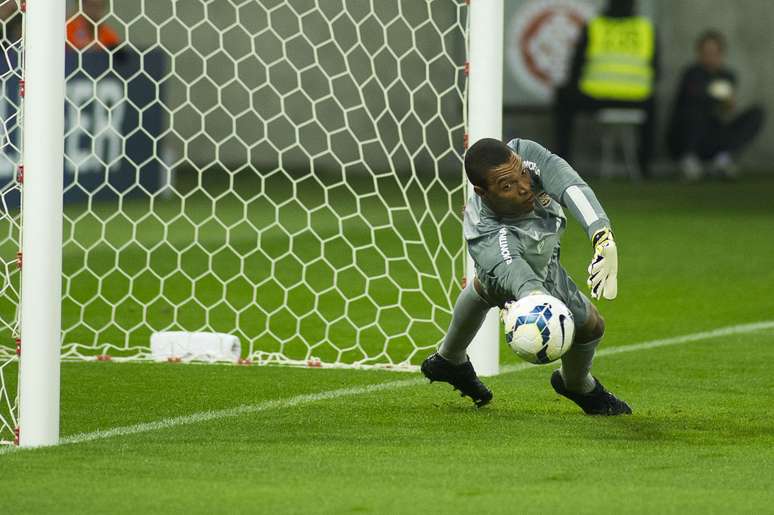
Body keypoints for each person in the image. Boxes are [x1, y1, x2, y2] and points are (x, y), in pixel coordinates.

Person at [421, 137, 631, 416]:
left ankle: (449, 359)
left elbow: (570, 185)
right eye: (507, 186)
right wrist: (528, 306)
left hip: (542, 254)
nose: (524, 186)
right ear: (483, 193)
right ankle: (578, 386)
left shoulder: (522, 154)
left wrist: (602, 235)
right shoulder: (491, 236)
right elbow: (521, 278)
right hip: (514, 263)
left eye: (522, 173)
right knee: (501, 288)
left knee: (591, 327)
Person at [554, 0, 658, 177]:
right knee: (653, 103)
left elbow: (576, 68)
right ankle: (645, 166)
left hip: (596, 95)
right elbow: (656, 69)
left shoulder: (595, 26)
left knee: (563, 97)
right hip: (636, 98)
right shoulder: (645, 28)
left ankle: (561, 164)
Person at [666, 30, 765, 181]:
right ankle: (689, 161)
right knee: (695, 108)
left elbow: (725, 110)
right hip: (687, 137)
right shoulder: (691, 73)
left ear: (721, 54)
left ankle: (722, 159)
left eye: (714, 52)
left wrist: (728, 104)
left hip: (713, 133)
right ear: (698, 53)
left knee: (757, 112)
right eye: (706, 52)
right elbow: (696, 96)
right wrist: (714, 94)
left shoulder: (728, 76)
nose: (710, 57)